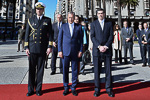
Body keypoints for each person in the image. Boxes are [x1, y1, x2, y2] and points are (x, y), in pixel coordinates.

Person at [24, 2, 53, 96]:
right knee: (32, 70)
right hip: (32, 48)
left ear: (43, 10)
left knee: (40, 70)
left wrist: (49, 47)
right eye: (37, 9)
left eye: (40, 9)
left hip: (42, 48)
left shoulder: (47, 20)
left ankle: (38, 89)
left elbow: (50, 35)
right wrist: (26, 47)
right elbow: (27, 34)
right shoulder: (30, 20)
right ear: (35, 10)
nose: (39, 10)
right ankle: (30, 89)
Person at [90, 8, 114, 97]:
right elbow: (92, 36)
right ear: (97, 14)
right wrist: (99, 46)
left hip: (107, 51)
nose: (100, 14)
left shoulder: (109, 24)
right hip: (97, 51)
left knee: (108, 71)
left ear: (104, 14)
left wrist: (106, 46)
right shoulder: (93, 24)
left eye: (102, 13)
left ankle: (108, 89)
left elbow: (111, 36)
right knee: (97, 71)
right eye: (99, 13)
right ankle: (97, 89)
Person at [58, 12, 83, 96]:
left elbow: (81, 40)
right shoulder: (63, 26)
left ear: (74, 17)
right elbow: (60, 39)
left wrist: (80, 50)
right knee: (65, 70)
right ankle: (65, 87)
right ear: (67, 18)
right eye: (69, 17)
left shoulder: (79, 27)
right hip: (65, 52)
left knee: (75, 70)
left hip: (75, 52)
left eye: (72, 17)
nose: (71, 19)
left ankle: (73, 87)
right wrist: (60, 50)